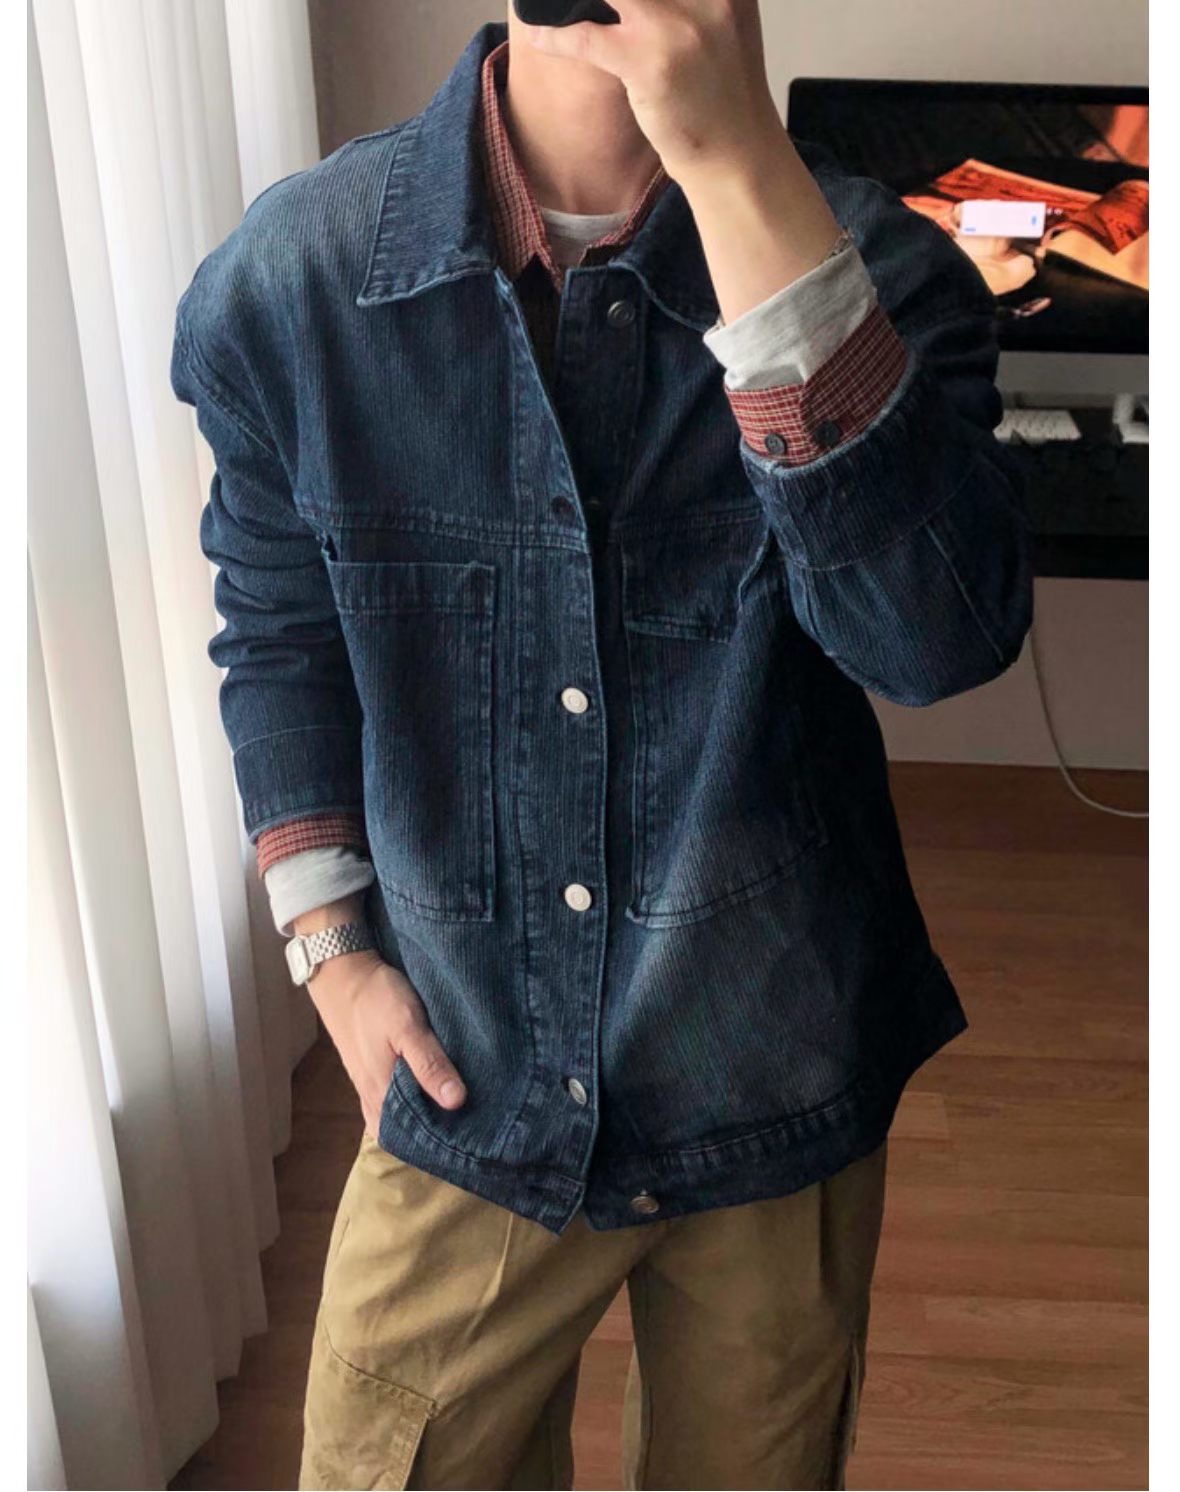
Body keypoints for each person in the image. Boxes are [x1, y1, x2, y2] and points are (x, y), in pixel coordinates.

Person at [169, 3, 1033, 1486]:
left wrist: (739, 169)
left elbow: (933, 642)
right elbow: (279, 627)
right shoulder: (296, 280)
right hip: (466, 1065)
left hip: (773, 1059)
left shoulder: (879, 273)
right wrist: (331, 949)